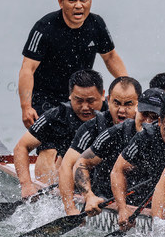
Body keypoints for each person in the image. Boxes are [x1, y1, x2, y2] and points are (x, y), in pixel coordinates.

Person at [19, 0, 128, 128]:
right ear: (60, 1)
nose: (79, 5)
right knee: (53, 144)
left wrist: (128, 87)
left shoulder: (96, 24)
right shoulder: (44, 27)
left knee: (120, 119)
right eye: (72, 0)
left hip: (83, 97)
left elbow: (110, 57)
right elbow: (27, 69)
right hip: (47, 99)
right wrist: (26, 107)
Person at [13, 70, 104, 199]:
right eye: (78, 100)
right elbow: (21, 147)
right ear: (70, 96)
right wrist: (26, 185)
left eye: (90, 101)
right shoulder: (57, 116)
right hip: (69, 176)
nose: (85, 107)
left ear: (103, 95)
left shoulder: (113, 114)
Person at [74, 87, 165, 215]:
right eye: (144, 114)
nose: (148, 122)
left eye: (154, 117)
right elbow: (82, 163)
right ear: (137, 108)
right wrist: (89, 196)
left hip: (148, 203)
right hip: (107, 199)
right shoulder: (116, 133)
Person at [57, 76, 141, 214]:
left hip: (136, 197)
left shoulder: (150, 128)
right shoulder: (93, 127)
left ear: (139, 104)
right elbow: (67, 166)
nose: (121, 110)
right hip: (102, 196)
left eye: (128, 104)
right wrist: (72, 208)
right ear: (108, 100)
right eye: (117, 103)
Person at [111, 98, 165, 228]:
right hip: (158, 195)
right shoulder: (146, 137)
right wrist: (122, 208)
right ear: (159, 121)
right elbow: (118, 170)